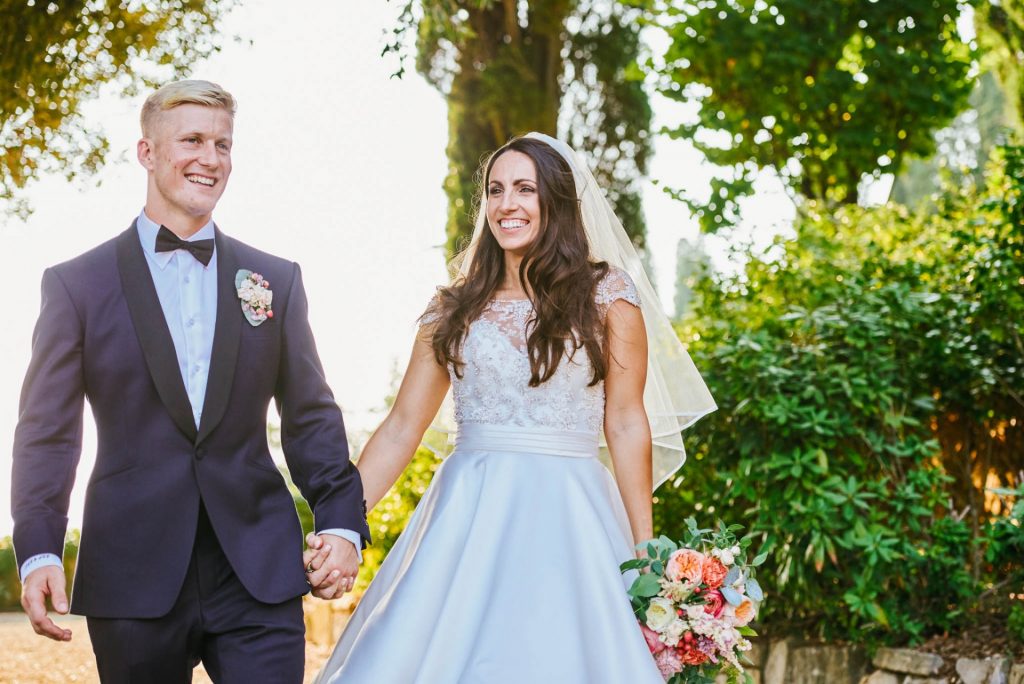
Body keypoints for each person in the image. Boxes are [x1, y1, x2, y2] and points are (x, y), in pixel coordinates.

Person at [310, 133, 716, 683]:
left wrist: (644, 548)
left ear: (558, 201)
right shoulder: (452, 307)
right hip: (466, 516)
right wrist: (342, 525)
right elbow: (403, 425)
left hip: (573, 520)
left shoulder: (608, 296)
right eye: (496, 190)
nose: (507, 205)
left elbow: (624, 420)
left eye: (526, 189)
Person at [11, 79, 369, 683]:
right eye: (193, 140)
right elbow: (47, 434)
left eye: (223, 144)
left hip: (255, 568)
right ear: (147, 153)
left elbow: (310, 414)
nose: (211, 158)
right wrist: (39, 548)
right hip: (132, 568)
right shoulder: (76, 285)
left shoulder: (275, 280)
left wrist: (339, 523)